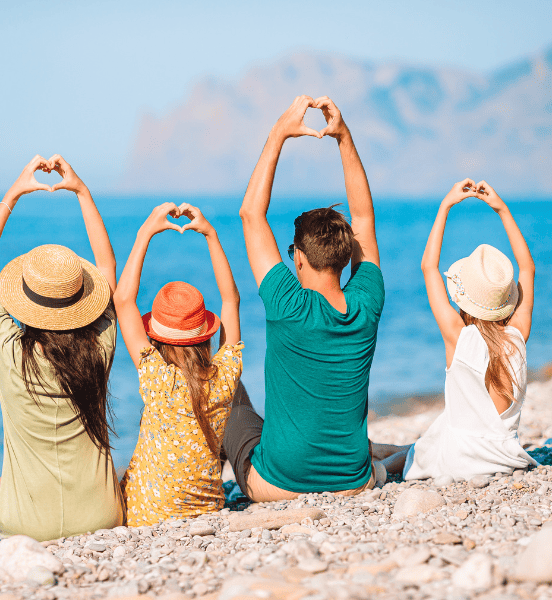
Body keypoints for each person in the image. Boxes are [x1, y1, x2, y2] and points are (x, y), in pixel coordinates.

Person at [0, 155, 125, 555]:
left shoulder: (8, 349)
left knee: (7, 501)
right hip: (101, 515)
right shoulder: (100, 344)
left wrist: (13, 193)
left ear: (26, 302)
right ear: (81, 298)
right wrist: (82, 190)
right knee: (18, 488)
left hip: (25, 522)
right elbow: (107, 264)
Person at [222, 95, 387, 502]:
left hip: (277, 486)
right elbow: (363, 218)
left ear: (296, 256)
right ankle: (385, 463)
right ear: (348, 255)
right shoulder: (367, 303)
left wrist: (279, 131)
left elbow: (251, 215)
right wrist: (344, 137)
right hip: (353, 481)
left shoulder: (287, 305)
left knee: (229, 398)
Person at [380, 179, 538, 480]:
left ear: (465, 302)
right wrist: (502, 210)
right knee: (433, 435)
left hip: (458, 460)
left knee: (425, 445)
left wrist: (446, 206)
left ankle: (376, 467)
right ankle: (384, 453)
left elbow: (429, 267)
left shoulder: (459, 336)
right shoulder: (518, 336)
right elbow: (527, 267)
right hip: (505, 457)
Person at [113, 202, 242, 525]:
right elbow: (230, 300)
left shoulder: (158, 378)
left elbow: (123, 300)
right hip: (209, 509)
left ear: (155, 336)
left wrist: (145, 232)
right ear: (205, 335)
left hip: (145, 514)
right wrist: (211, 235)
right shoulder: (225, 377)